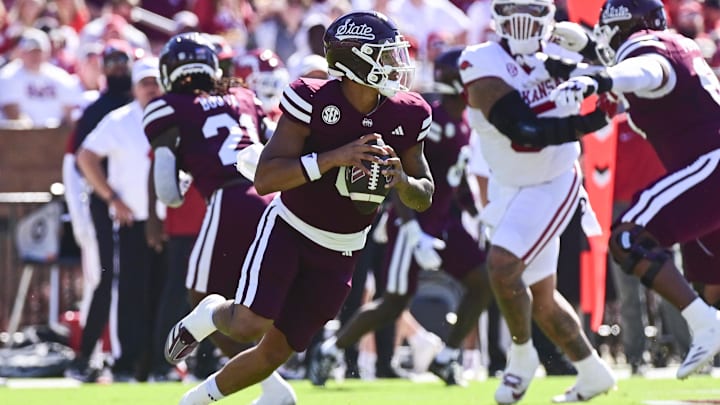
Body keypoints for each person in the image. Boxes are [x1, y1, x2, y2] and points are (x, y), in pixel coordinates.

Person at [162, 11, 434, 404]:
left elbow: (424, 193)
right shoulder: (312, 97)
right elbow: (267, 178)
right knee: (246, 325)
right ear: (355, 60)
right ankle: (209, 313)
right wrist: (334, 157)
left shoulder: (409, 112)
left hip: (344, 247)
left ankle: (195, 401)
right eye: (385, 55)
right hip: (290, 227)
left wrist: (402, 181)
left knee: (274, 353)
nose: (397, 65)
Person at [549, 0, 720, 379]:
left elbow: (646, 69)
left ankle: (707, 325)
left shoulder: (648, 50)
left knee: (629, 239)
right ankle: (709, 319)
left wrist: (599, 79)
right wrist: (587, 60)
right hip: (707, 171)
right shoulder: (673, 45)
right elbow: (634, 70)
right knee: (712, 283)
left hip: (710, 164)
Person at [457, 0, 618, 403]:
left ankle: (521, 356)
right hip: (509, 186)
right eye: (512, 7)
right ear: (496, 14)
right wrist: (592, 120)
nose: (522, 19)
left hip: (554, 180)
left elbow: (613, 75)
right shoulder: (481, 59)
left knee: (502, 266)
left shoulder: (560, 53)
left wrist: (591, 50)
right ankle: (593, 372)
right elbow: (523, 129)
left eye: (530, 7)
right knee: (542, 301)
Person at [309, 47, 491, 387]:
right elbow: (399, 174)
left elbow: (451, 178)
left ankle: (447, 357)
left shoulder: (463, 120)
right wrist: (409, 228)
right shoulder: (432, 120)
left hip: (444, 221)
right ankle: (332, 349)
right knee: (393, 302)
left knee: (484, 281)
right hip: (412, 221)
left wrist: (477, 211)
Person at [143, 32, 296, 404]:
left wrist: (182, 180)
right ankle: (272, 387)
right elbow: (274, 145)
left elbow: (167, 189)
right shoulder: (244, 96)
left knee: (201, 294)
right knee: (253, 303)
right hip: (273, 198)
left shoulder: (169, 107)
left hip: (229, 196)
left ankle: (271, 387)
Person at [75, 57, 164, 381]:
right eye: (145, 83)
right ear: (135, 88)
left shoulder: (173, 115)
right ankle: (127, 363)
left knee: (165, 293)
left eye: (155, 82)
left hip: (169, 221)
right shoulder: (120, 120)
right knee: (131, 295)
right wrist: (111, 197)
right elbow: (85, 157)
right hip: (133, 220)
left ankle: (160, 363)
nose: (151, 89)